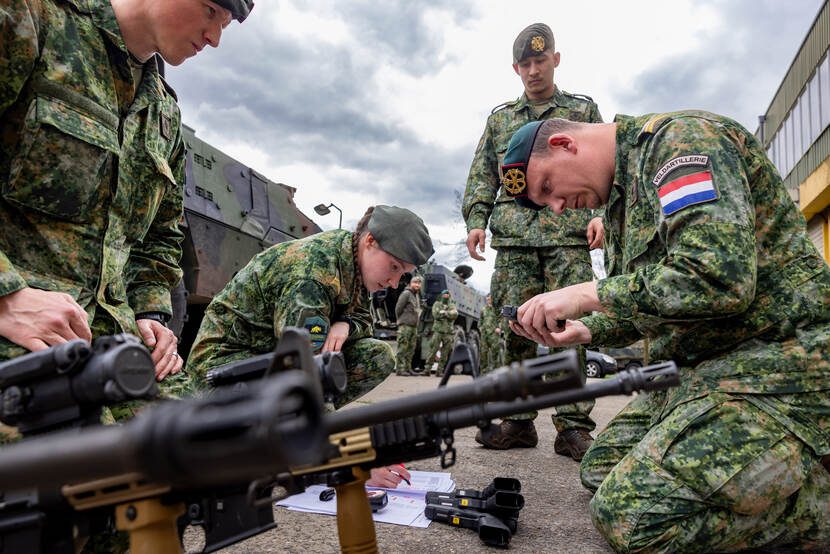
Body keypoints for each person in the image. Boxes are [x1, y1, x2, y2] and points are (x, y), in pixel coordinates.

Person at [502, 113, 830, 552]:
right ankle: (772, 469)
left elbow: (716, 278)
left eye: (547, 188)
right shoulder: (619, 201)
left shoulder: (678, 145)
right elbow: (654, 302)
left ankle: (815, 500)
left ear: (564, 144)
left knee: (631, 519)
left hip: (780, 366)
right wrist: (585, 330)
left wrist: (587, 292)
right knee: (600, 468)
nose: (557, 207)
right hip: (704, 371)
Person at [0, 0, 254, 441]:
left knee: (213, 449)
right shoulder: (33, 20)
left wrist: (151, 313)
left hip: (110, 346)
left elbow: (159, 235)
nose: (215, 38)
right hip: (19, 335)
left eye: (226, 25)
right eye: (211, 10)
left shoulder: (164, 115)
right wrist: (7, 296)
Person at [184, 205, 432, 486]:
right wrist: (351, 456)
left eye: (404, 274)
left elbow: (364, 318)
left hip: (267, 362)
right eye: (395, 267)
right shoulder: (312, 275)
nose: (394, 281)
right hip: (222, 376)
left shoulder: (352, 260)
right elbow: (301, 376)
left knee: (378, 355)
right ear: (370, 241)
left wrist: (346, 324)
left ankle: (288, 435)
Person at [461, 22, 603, 456]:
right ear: (515, 68)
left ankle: (573, 427)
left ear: (555, 60)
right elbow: (483, 173)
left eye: (540, 61)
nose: (533, 71)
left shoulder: (581, 111)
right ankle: (518, 421)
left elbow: (604, 165)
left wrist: (600, 216)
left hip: (568, 237)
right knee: (515, 327)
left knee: (570, 326)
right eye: (525, 64)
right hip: (517, 238)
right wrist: (476, 219)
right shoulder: (501, 119)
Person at [394, 275, 423, 375]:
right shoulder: (406, 293)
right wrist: (401, 320)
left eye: (419, 283)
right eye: (415, 283)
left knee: (411, 349)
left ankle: (408, 368)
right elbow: (398, 308)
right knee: (402, 348)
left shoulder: (416, 295)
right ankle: (400, 369)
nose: (417, 285)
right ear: (411, 283)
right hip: (405, 326)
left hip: (413, 326)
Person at [427, 290, 457, 375]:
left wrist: (444, 313)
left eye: (447, 294)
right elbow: (436, 315)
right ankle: (427, 369)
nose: (446, 295)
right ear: (442, 295)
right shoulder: (437, 304)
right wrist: (448, 314)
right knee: (433, 350)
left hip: (448, 332)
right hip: (438, 331)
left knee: (444, 353)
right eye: (444, 294)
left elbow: (455, 315)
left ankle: (440, 371)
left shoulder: (452, 305)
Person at [478, 294, 502, 372]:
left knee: (495, 353)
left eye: (490, 298)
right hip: (484, 335)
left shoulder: (497, 309)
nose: (489, 299)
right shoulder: (483, 309)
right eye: (488, 298)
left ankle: (496, 372)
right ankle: (483, 372)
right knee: (483, 353)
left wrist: (499, 328)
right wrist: (480, 327)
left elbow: (501, 320)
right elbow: (480, 320)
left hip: (494, 334)